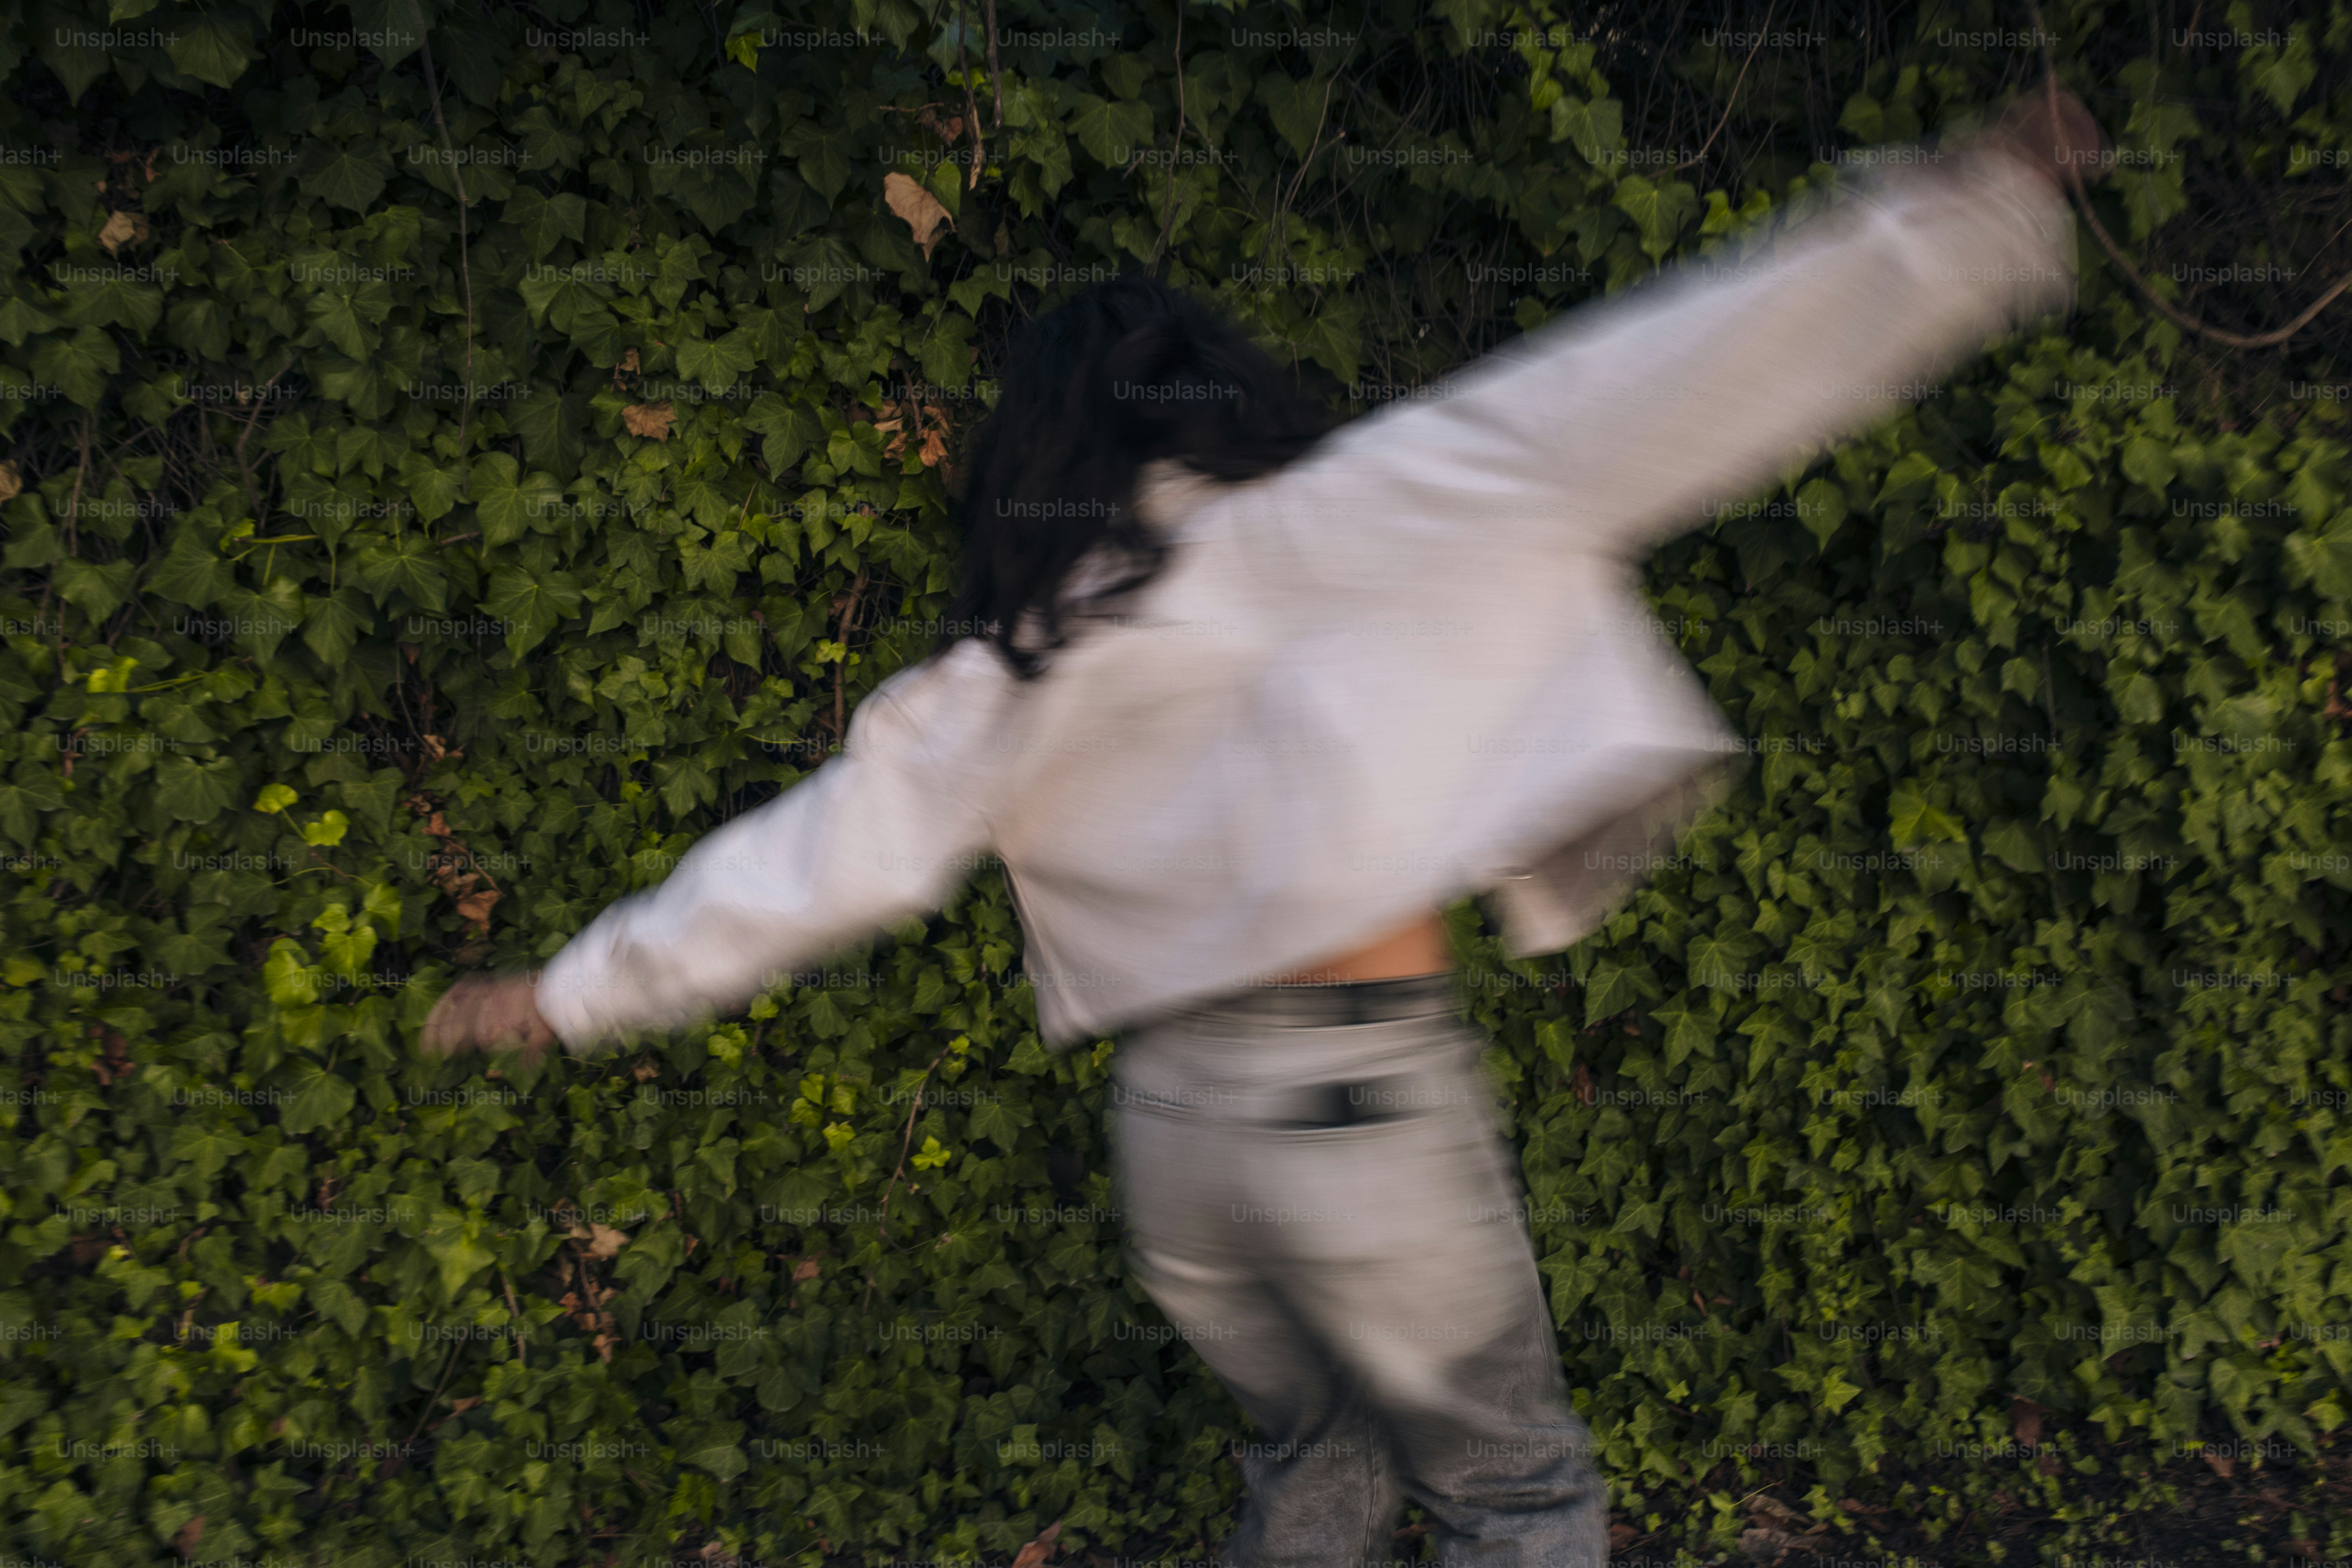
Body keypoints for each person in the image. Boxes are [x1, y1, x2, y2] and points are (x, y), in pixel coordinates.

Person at [423, 85, 2105, 1568]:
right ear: (1217, 391)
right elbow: (1665, 377)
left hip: (1179, 1139)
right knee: (1514, 1494)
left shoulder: (1015, 669)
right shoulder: (1351, 515)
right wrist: (1957, 216)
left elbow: (813, 860)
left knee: (1318, 1461)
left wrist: (573, 990)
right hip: (1363, 1108)